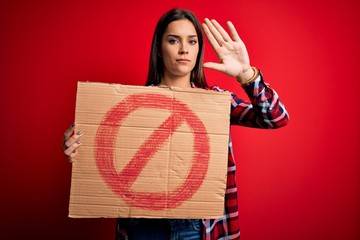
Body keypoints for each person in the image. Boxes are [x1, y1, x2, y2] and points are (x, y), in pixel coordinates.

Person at [63, 8, 289, 240]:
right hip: (144, 226)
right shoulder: (128, 104)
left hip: (200, 228)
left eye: (192, 41)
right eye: (173, 40)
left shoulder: (216, 101)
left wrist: (245, 74)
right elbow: (98, 153)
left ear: (198, 49)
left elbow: (275, 117)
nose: (183, 49)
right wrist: (79, 151)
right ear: (159, 50)